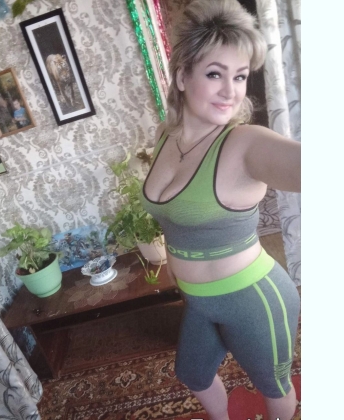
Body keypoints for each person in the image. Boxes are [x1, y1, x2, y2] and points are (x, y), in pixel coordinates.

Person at [139, 1, 301, 419]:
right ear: (182, 76)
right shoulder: (166, 136)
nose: (231, 91)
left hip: (254, 298)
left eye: (240, 76)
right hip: (196, 299)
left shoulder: (244, 143)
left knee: (274, 387)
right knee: (192, 374)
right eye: (215, 74)